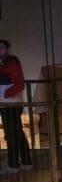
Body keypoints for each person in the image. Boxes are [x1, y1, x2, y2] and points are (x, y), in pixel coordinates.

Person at [0, 40, 32, 173]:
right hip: (7, 102)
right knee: (16, 132)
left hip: (9, 103)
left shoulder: (11, 62)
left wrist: (8, 94)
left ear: (7, 49)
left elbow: (19, 83)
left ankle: (14, 164)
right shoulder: (9, 61)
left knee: (12, 133)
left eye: (1, 47)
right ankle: (25, 161)